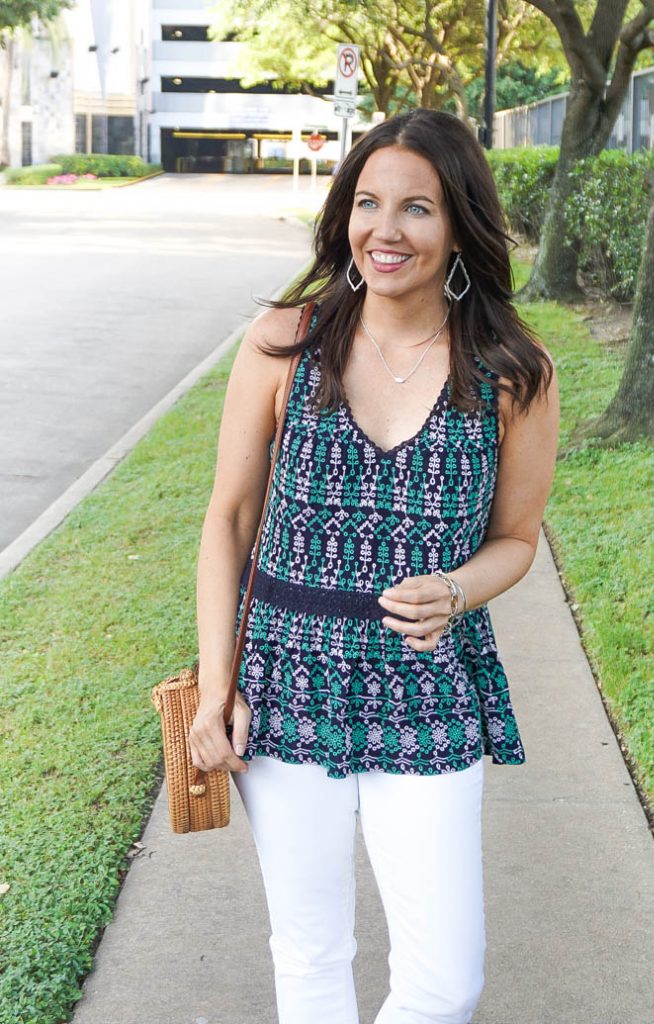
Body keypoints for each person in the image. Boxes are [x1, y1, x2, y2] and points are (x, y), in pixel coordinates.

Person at [189, 107, 560, 1024]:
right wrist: (215, 685)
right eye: (367, 203)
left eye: (417, 209)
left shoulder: (513, 370)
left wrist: (455, 589)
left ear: (461, 223)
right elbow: (229, 518)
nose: (385, 230)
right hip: (288, 681)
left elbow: (517, 537)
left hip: (426, 684)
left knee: (446, 979)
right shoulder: (285, 340)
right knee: (310, 950)